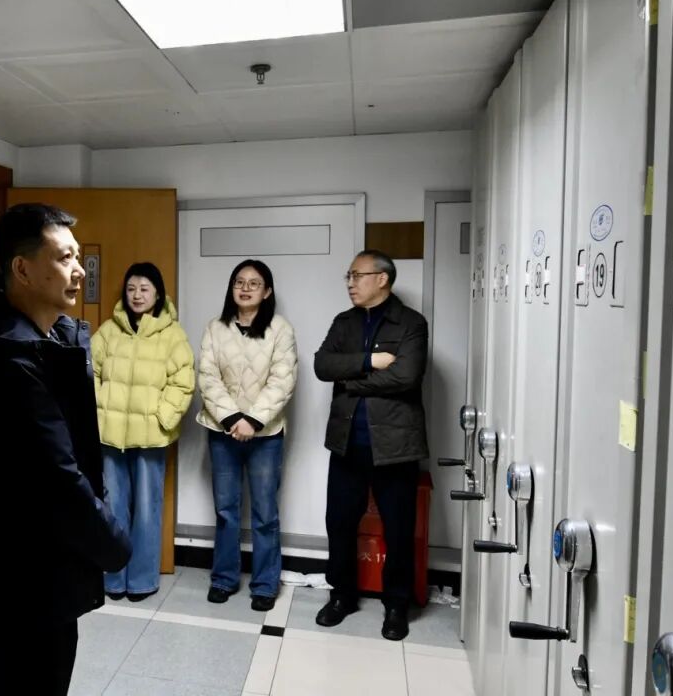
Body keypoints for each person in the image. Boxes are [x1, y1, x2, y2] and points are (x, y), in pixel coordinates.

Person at [0, 203, 131, 695]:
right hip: (25, 571)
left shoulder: (47, 334)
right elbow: (57, 475)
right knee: (34, 679)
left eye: (77, 256)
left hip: (45, 560)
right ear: (22, 269)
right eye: (64, 258)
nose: (79, 271)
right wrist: (114, 542)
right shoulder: (8, 360)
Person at [312, 249, 429, 641]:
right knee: (339, 523)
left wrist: (351, 380)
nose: (350, 283)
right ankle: (341, 595)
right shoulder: (344, 322)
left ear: (382, 279)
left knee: (399, 529)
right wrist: (370, 361)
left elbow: (406, 377)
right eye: (348, 276)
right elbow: (322, 365)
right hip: (347, 443)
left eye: (357, 275)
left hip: (394, 446)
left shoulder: (411, 323)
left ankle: (396, 604)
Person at [197, 259, 297, 612]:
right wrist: (232, 418)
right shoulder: (215, 328)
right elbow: (207, 376)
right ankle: (224, 579)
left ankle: (265, 584)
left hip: (265, 434)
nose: (245, 288)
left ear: (267, 291)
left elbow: (283, 380)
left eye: (254, 283)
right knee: (226, 510)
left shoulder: (280, 329)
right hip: (222, 430)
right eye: (239, 282)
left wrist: (252, 420)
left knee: (265, 512)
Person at [93, 262, 195, 602]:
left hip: (151, 437)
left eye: (144, 289)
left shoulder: (172, 335)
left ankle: (141, 580)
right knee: (112, 507)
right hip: (110, 436)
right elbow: (88, 371)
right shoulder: (108, 331)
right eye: (131, 288)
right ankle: (113, 578)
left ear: (158, 294)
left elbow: (183, 382)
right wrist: (98, 410)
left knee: (148, 509)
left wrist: (162, 417)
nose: (137, 295)